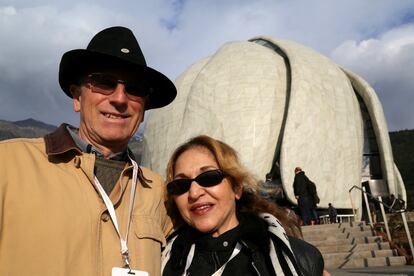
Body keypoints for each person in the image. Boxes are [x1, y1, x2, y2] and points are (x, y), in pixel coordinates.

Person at [0, 26, 176, 275]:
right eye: (104, 82)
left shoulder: (158, 191)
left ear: (144, 109)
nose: (120, 99)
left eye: (134, 89)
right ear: (76, 97)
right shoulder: (8, 165)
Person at [161, 135, 325, 275]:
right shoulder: (162, 262)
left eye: (209, 177)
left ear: (236, 188)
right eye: (181, 184)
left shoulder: (302, 260)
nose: (194, 193)